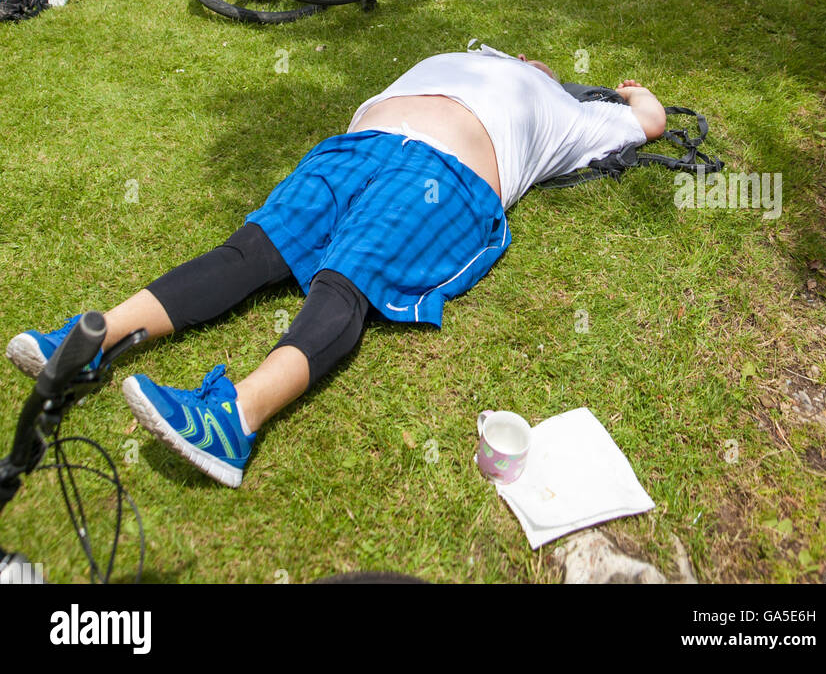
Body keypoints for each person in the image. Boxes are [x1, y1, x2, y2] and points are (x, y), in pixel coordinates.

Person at [6, 48, 666, 488]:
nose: (529, 62)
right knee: (249, 252)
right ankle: (90, 343)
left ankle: (234, 419)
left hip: (448, 175)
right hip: (352, 152)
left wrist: (638, 95)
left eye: (540, 65)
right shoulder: (475, 58)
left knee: (343, 284)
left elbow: (648, 124)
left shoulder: (571, 113)